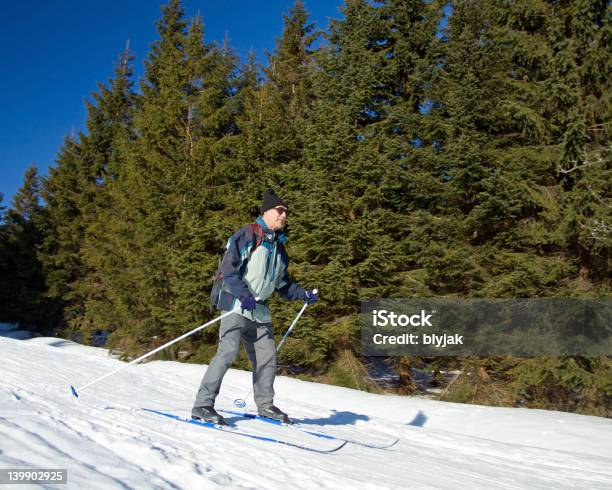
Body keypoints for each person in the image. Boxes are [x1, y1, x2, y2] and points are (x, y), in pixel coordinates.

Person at [192, 189, 318, 425]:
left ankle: (266, 406)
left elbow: (282, 284)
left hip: (259, 311)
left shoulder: (280, 250)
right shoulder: (248, 234)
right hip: (236, 305)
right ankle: (203, 405)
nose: (284, 215)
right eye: (280, 211)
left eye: (286, 212)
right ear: (267, 212)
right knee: (228, 353)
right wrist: (244, 294)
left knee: (267, 357)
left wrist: (303, 295)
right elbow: (228, 269)